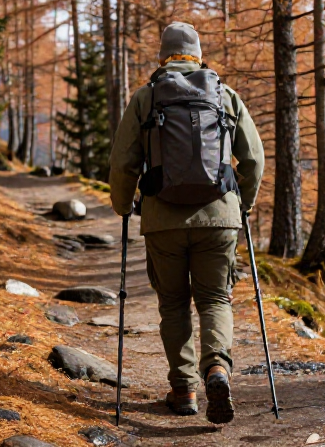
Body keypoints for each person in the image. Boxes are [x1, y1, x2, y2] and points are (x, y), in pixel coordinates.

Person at [109, 22, 264, 424]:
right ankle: (217, 369)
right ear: (198, 55)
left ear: (163, 57)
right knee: (215, 299)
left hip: (164, 220)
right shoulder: (224, 95)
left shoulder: (146, 98)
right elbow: (254, 160)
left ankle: (183, 390)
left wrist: (123, 206)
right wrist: (242, 204)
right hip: (220, 216)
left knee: (174, 303)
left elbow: (123, 162)